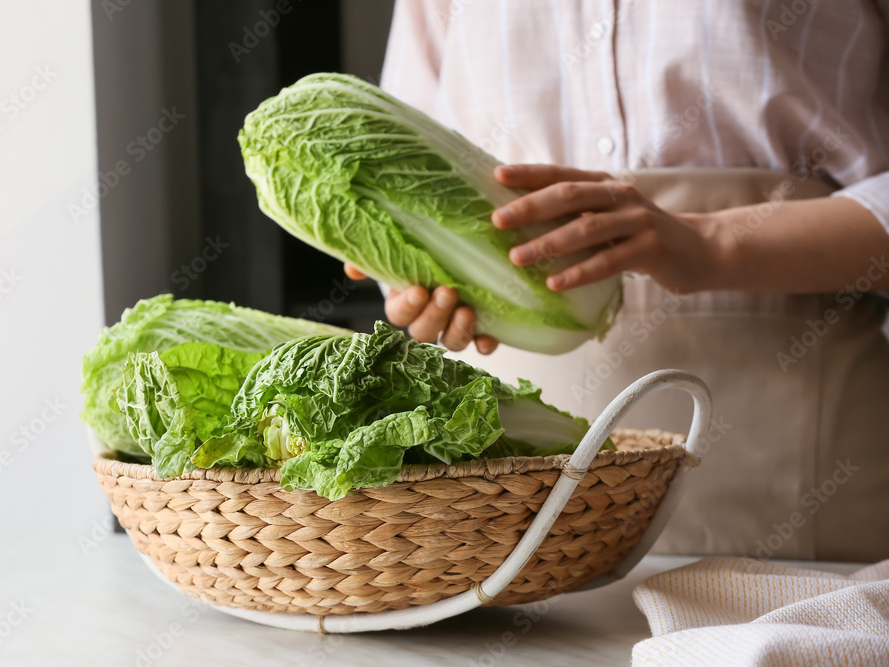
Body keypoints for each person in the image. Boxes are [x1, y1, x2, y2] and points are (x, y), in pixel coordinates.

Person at [346, 0, 889, 561]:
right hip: (507, 498)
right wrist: (421, 288)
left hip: (806, 482)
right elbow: (401, 156)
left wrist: (715, 242)